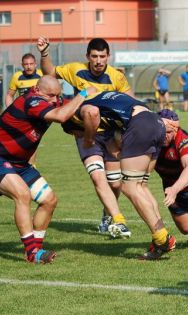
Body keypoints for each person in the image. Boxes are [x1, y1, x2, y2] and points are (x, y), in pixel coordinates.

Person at [0, 76, 97, 264]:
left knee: (49, 200)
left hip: (19, 164)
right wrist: (82, 94)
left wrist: (92, 111)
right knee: (22, 195)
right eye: (51, 96)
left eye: (58, 95)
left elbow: (70, 110)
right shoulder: (31, 101)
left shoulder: (49, 99)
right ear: (37, 89)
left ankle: (36, 249)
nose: (55, 100)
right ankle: (32, 252)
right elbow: (61, 115)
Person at [37, 36, 133, 239]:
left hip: (109, 134)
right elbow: (50, 73)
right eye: (94, 56)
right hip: (85, 134)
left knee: (115, 183)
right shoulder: (76, 69)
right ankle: (118, 221)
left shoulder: (116, 77)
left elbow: (131, 102)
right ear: (87, 56)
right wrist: (44, 53)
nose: (98, 61)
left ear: (108, 57)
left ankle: (107, 216)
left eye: (102, 56)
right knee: (99, 177)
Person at [73, 91, 176, 260]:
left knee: (129, 187)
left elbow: (91, 113)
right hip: (155, 122)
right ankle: (160, 240)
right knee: (141, 186)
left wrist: (88, 140)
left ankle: (162, 238)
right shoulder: (108, 97)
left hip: (141, 125)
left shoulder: (83, 107)